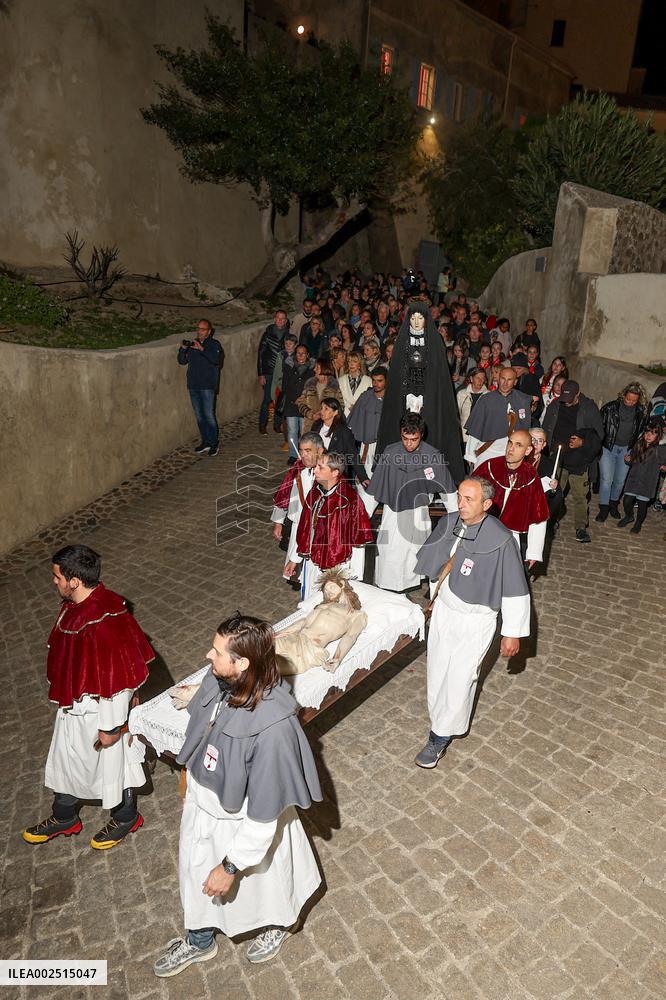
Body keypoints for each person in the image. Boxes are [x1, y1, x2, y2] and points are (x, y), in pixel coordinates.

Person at [153, 614, 322, 977]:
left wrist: (230, 865)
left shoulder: (273, 731)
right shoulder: (224, 681)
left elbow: (262, 820)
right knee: (195, 872)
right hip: (207, 809)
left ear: (242, 663)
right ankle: (199, 941)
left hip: (244, 822)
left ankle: (278, 924)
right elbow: (206, 723)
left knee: (267, 881)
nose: (207, 656)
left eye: (216, 652)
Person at [23, 545, 153, 849]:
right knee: (65, 760)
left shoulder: (103, 620)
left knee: (115, 766)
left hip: (101, 712)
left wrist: (110, 728)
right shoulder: (78, 604)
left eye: (57, 577)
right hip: (75, 706)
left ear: (75, 580)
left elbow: (118, 681)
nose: (54, 582)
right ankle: (65, 816)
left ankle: (126, 817)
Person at [412, 478, 530, 768]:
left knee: (461, 677)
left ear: (487, 504)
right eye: (460, 498)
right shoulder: (450, 522)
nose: (460, 504)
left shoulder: (502, 539)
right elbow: (436, 566)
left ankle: (439, 736)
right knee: (438, 670)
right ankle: (439, 717)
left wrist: (511, 633)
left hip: (476, 620)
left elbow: (515, 588)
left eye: (468, 499)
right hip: (445, 613)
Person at [366, 412, 458, 592]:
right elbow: (375, 490)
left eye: (413, 439)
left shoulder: (432, 456)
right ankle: (389, 593)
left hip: (418, 513)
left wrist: (458, 519)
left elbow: (448, 491)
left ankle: (406, 593)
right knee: (389, 554)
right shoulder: (390, 452)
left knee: (412, 555)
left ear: (421, 434)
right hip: (392, 514)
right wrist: (361, 516)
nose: (409, 443)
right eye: (405, 438)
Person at [375, 303, 465, 484]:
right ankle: (399, 476)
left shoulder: (435, 340)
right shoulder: (402, 340)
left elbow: (438, 375)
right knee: (404, 435)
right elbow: (399, 372)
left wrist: (425, 396)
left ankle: (432, 479)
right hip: (405, 400)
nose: (416, 322)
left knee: (431, 436)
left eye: (420, 318)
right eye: (413, 318)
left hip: (430, 399)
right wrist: (407, 394)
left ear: (426, 319)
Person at [285, 452, 374, 600]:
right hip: (312, 563)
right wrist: (295, 558)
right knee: (310, 602)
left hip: (338, 567)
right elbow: (305, 528)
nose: (315, 470)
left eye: (320, 467)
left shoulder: (350, 500)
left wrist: (355, 577)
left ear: (335, 472)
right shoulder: (315, 492)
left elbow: (358, 541)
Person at [473, 431, 550, 566]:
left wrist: (533, 552)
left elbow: (538, 516)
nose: (511, 449)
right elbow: (468, 496)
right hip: (481, 532)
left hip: (509, 538)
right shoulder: (490, 466)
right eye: (510, 443)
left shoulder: (531, 478)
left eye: (518, 445)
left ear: (528, 451)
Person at [271, 432, 324, 574]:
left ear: (320, 451)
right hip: (298, 527)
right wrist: (278, 521)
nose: (303, 455)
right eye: (301, 451)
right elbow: (285, 494)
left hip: (318, 532)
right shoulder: (298, 469)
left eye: (308, 451)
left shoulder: (328, 473)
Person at [596, 383, 647, 522]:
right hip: (608, 447)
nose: (630, 403)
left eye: (634, 401)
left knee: (619, 481)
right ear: (623, 395)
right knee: (607, 479)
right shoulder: (609, 408)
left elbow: (641, 434)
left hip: (627, 449)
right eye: (628, 399)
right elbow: (599, 427)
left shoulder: (640, 413)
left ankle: (613, 504)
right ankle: (604, 507)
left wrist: (633, 452)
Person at [464, 366, 533, 469]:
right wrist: (470, 455)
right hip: (487, 451)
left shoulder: (522, 400)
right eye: (503, 378)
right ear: (498, 379)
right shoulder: (486, 400)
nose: (505, 383)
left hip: (512, 454)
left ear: (515, 382)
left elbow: (525, 430)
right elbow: (476, 429)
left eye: (509, 380)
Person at [178, 319, 224, 456]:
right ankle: (205, 441)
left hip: (207, 386)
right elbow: (182, 361)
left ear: (209, 332)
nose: (200, 331)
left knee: (209, 415)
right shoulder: (193, 344)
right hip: (193, 385)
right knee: (199, 416)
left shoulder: (214, 344)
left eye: (203, 329)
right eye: (198, 328)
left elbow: (216, 360)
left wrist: (202, 349)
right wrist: (183, 349)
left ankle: (214, 443)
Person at [617, 418, 666, 534]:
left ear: (658, 436)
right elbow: (632, 459)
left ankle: (638, 523)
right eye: (647, 432)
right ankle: (629, 516)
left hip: (647, 482)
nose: (649, 435)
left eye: (653, 433)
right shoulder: (639, 444)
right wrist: (628, 459)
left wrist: (664, 467)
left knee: (642, 505)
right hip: (633, 479)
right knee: (627, 501)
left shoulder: (660, 449)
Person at [557, 427, 602, 543]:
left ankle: (580, 528)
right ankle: (552, 519)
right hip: (561, 462)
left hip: (580, 467)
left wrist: (583, 444)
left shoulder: (589, 411)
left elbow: (597, 443)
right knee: (555, 494)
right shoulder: (560, 410)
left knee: (580, 498)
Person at [311, 398, 363, 482]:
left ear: (335, 412)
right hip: (317, 471)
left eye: (326, 409)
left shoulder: (344, 431)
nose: (322, 411)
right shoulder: (316, 426)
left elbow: (353, 455)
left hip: (335, 474)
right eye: (321, 408)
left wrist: (363, 477)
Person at [257, 310, 289, 434]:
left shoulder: (288, 335)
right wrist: (261, 374)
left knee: (280, 399)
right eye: (278, 318)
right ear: (275, 319)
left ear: (286, 321)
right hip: (269, 371)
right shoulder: (267, 335)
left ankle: (277, 424)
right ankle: (262, 424)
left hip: (282, 372)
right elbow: (260, 354)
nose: (280, 320)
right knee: (267, 399)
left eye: (283, 318)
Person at [281, 345, 314, 461]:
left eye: (303, 353)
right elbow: (285, 385)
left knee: (304, 431)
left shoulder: (312, 369)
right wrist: (294, 398)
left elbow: (313, 386)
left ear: (307, 355)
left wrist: (304, 399)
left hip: (305, 405)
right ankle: (293, 455)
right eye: (298, 353)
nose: (300, 356)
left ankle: (304, 455)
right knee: (292, 430)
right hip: (291, 404)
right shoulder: (289, 367)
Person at [295, 359, 342, 433]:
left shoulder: (334, 387)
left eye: (317, 367)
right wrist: (311, 415)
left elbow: (340, 406)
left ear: (324, 369)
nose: (314, 369)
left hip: (328, 428)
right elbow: (301, 403)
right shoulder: (310, 385)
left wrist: (325, 415)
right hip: (309, 428)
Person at [528, 427, 562, 525]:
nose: (535, 443)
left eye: (540, 441)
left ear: (544, 445)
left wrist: (554, 489)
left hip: (536, 513)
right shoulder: (518, 459)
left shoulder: (549, 465)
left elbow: (555, 496)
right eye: (532, 439)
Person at [457, 369, 489, 448]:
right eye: (477, 378)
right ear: (471, 379)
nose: (480, 381)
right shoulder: (461, 394)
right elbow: (456, 415)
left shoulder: (489, 395)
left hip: (481, 437)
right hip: (464, 436)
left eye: (483, 378)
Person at [338, 350, 372, 416]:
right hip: (344, 416)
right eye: (349, 361)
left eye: (354, 361)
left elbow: (370, 400)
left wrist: (357, 408)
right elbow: (339, 398)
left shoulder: (368, 381)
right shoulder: (341, 380)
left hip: (361, 415)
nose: (351, 364)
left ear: (360, 364)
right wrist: (348, 406)